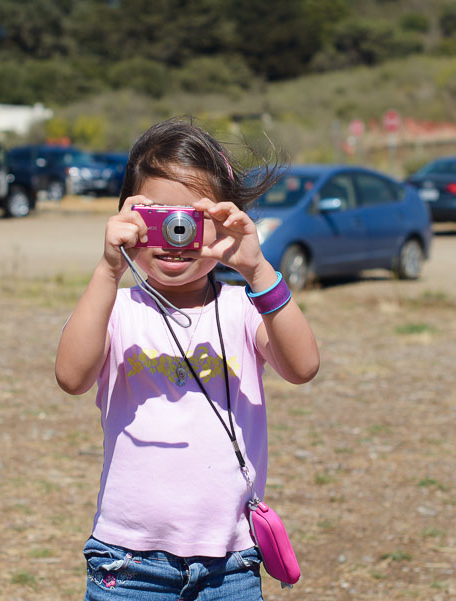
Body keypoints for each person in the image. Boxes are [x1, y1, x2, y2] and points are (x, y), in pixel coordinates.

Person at [55, 118, 319, 601]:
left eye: (192, 220)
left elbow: (302, 367)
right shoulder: (115, 309)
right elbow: (71, 377)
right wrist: (108, 269)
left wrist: (258, 268)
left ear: (224, 219)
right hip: (126, 561)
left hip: (231, 562)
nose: (175, 234)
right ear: (128, 220)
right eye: (157, 218)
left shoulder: (242, 308)